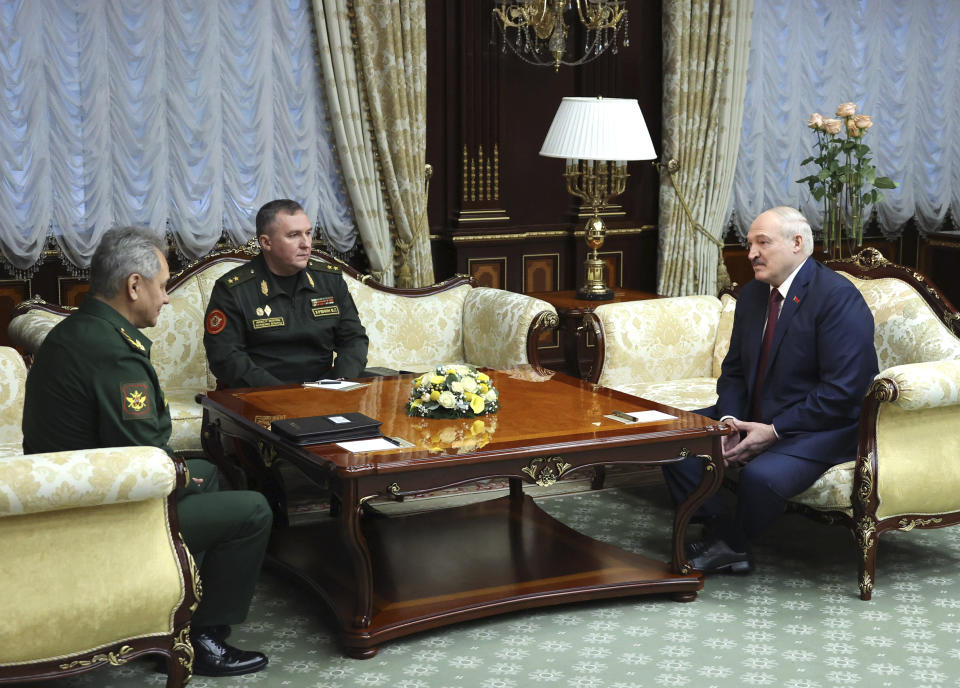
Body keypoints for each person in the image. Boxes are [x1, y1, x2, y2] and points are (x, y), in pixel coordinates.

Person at [22, 227, 272, 677]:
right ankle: (203, 639)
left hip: (75, 496)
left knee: (210, 474)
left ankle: (172, 612)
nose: (167, 297)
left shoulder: (84, 330)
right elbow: (142, 456)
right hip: (100, 519)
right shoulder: (113, 352)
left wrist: (188, 473)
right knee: (253, 508)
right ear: (134, 285)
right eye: (162, 284)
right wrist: (182, 475)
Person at [663, 206, 878, 573]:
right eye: (749, 244)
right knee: (672, 442)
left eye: (762, 243)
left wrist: (775, 431)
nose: (751, 254)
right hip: (752, 415)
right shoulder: (752, 295)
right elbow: (733, 372)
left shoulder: (837, 298)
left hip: (822, 426)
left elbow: (843, 392)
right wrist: (729, 420)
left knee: (761, 478)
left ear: (797, 243)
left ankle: (731, 542)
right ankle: (724, 535)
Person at [203, 198, 369, 388]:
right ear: (266, 242)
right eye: (293, 235)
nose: (306, 244)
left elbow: (354, 340)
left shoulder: (330, 281)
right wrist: (282, 394)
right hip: (259, 394)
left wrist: (341, 382)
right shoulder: (233, 289)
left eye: (308, 233)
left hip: (324, 392)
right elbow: (225, 357)